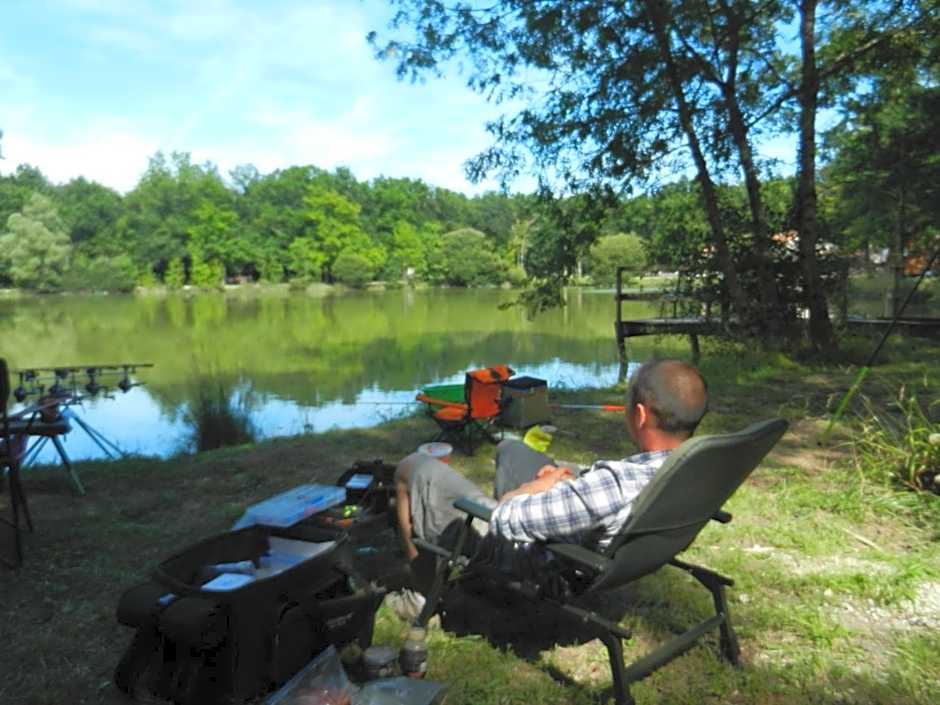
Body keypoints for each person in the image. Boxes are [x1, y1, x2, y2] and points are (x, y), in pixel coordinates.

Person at [392, 359, 709, 605]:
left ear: (639, 415)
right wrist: (568, 480)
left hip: (547, 561)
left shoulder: (615, 485)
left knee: (412, 467)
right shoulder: (696, 464)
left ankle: (419, 595)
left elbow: (505, 518)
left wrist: (535, 489)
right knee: (510, 448)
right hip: (597, 537)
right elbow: (601, 493)